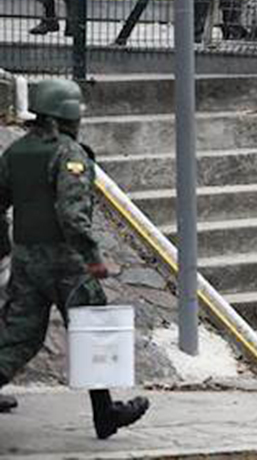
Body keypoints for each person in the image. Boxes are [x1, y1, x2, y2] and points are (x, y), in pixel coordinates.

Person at [0, 79, 150, 437]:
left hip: (26, 262)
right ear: (67, 114)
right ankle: (106, 413)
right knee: (92, 333)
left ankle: (106, 414)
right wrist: (93, 257)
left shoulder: (15, 152)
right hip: (68, 264)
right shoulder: (69, 155)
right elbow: (72, 214)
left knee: (20, 335)